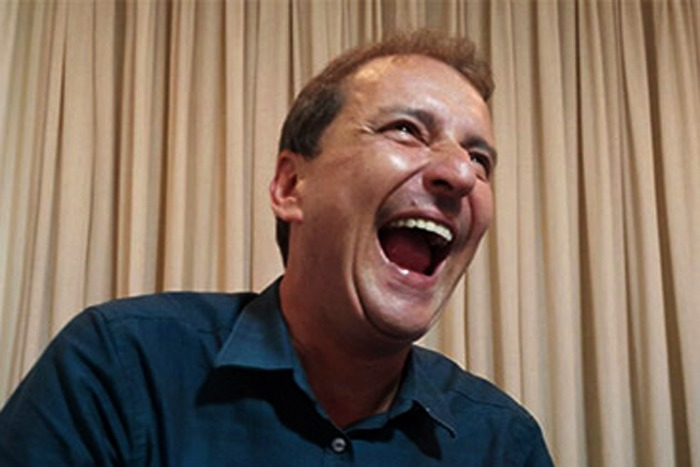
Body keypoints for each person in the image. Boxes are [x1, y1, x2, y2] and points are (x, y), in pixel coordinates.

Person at [0, 29, 553, 466]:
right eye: (407, 130)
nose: (461, 173)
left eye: (480, 159)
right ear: (291, 186)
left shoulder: (503, 442)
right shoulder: (119, 368)